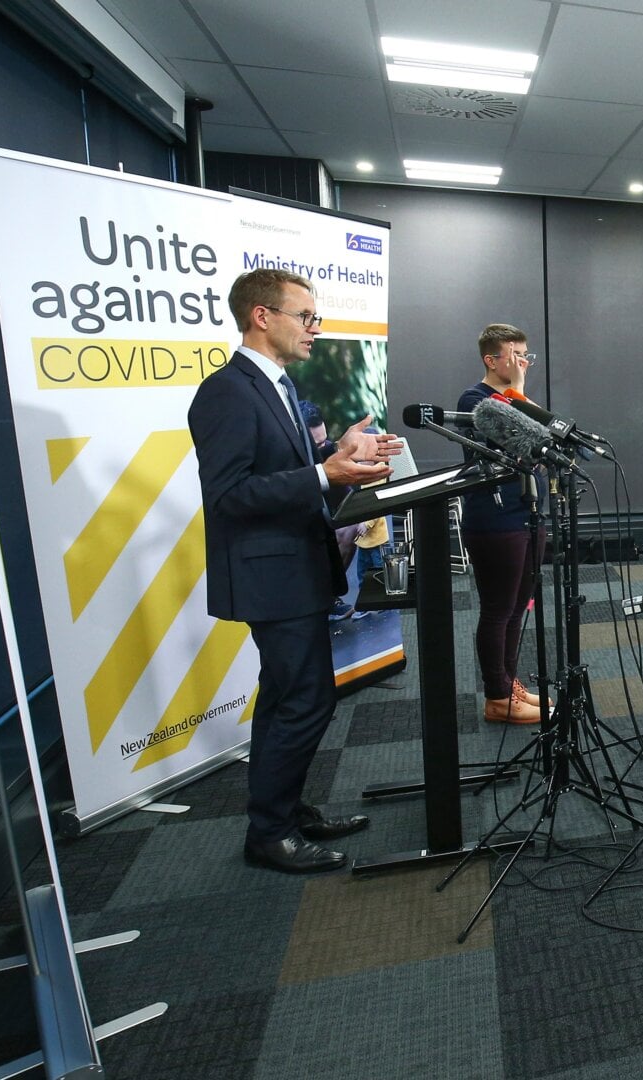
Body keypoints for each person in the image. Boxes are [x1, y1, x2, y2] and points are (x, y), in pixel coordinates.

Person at [188, 268, 398, 873]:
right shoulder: (227, 391)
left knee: (285, 698)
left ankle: (283, 810)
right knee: (305, 699)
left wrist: (336, 456)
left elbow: (288, 471)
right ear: (262, 316)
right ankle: (269, 834)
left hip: (293, 569)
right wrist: (322, 474)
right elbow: (229, 496)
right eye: (305, 317)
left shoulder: (274, 386)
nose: (315, 328)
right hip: (270, 576)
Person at [457, 324, 549, 725]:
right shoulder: (475, 400)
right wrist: (519, 386)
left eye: (526, 355)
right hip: (495, 521)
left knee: (517, 608)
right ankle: (496, 697)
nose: (522, 363)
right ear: (490, 360)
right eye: (514, 356)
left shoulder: (513, 396)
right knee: (497, 610)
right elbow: (521, 439)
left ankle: (508, 683)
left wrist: (519, 388)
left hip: (527, 515)